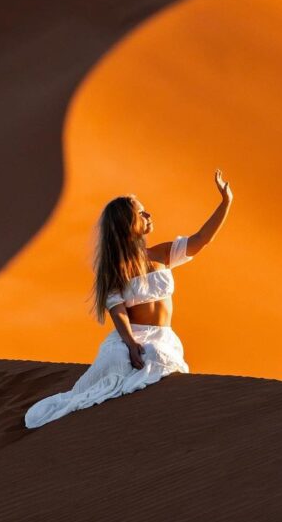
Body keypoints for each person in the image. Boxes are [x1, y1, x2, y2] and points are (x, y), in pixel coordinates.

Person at [23, 168, 233, 429]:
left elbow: (202, 239)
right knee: (127, 361)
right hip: (131, 336)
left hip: (162, 336)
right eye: (141, 213)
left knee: (156, 354)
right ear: (127, 223)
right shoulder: (117, 269)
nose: (148, 215)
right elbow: (118, 310)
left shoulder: (161, 254)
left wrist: (226, 202)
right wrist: (131, 342)